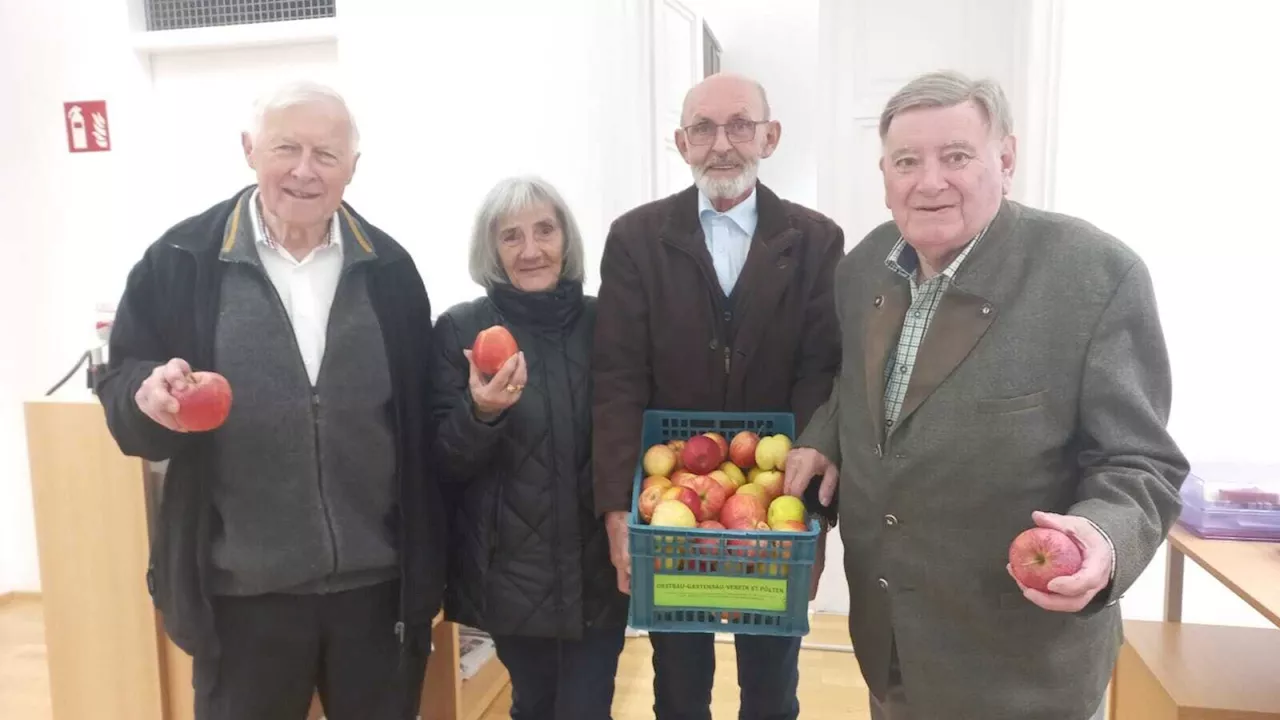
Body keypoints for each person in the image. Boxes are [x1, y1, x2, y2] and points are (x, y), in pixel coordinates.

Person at [783, 70, 1190, 720]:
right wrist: (827, 436)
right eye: (907, 161)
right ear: (884, 173)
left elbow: (1141, 462)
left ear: (1005, 159)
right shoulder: (863, 269)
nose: (930, 181)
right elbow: (865, 390)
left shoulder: (1096, 276)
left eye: (957, 157)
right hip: (890, 647)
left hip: (1020, 671)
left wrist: (1102, 539)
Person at [96, 80, 443, 720]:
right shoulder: (180, 261)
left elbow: (421, 424)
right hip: (240, 597)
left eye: (326, 155)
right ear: (249, 150)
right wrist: (144, 398)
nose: (304, 171)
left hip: (377, 594)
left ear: (353, 168)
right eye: (286, 148)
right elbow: (124, 392)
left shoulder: (391, 270)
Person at [592, 72, 844, 720]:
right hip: (670, 503)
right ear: (681, 143)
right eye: (703, 128)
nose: (722, 144)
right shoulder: (635, 240)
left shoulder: (818, 242)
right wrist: (618, 508)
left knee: (770, 686)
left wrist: (812, 519)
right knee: (677, 685)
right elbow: (618, 378)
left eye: (740, 125)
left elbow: (822, 374)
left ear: (770, 136)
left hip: (775, 498)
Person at [432, 175, 629, 718]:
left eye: (545, 230)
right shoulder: (462, 330)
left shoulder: (605, 321)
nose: (531, 249)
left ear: (566, 240)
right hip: (510, 576)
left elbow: (632, 428)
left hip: (599, 570)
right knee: (535, 704)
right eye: (511, 236)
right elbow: (445, 459)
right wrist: (483, 414)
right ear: (491, 250)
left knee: (589, 708)